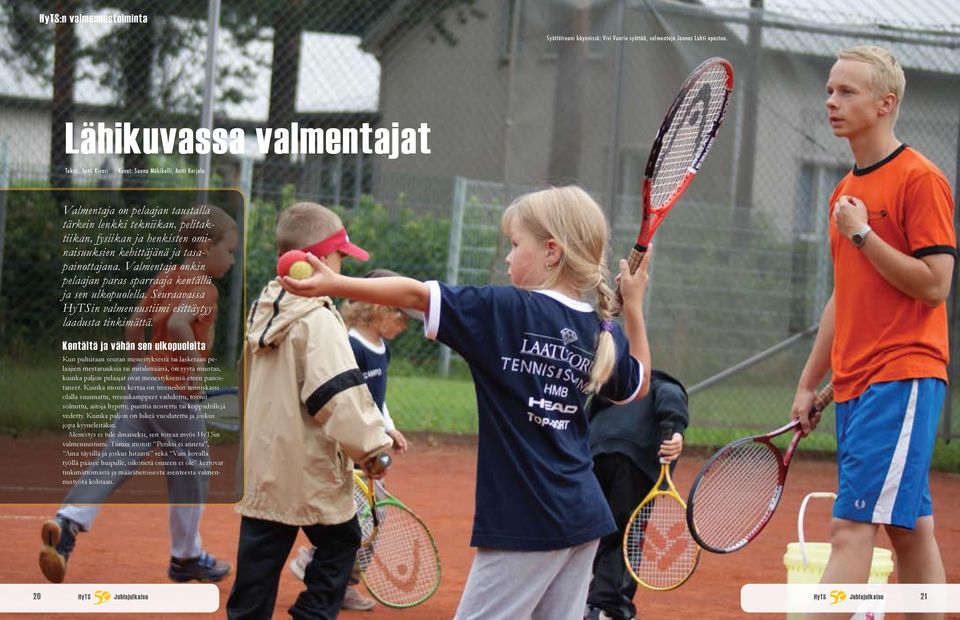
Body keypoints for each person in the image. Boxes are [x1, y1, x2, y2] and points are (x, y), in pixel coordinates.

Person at [282, 185, 653, 620]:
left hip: (526, 520)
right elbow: (638, 384)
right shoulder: (598, 330)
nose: (509, 257)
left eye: (516, 245)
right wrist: (634, 306)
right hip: (584, 518)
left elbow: (417, 296)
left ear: (552, 252)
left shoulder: (505, 309)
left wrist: (336, 283)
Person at [791, 46, 955, 620]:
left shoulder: (920, 180)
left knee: (849, 528)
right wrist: (811, 382)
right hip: (858, 385)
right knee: (909, 533)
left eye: (846, 92)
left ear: (885, 104)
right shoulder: (842, 194)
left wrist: (864, 235)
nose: (831, 101)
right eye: (830, 90)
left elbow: (936, 285)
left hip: (903, 375)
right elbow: (845, 295)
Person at [39, 206, 239, 584]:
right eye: (228, 250)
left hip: (143, 380)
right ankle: (186, 557)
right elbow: (180, 324)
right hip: (175, 393)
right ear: (203, 246)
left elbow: (134, 326)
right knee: (192, 473)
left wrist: (141, 367)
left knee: (116, 458)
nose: (232, 259)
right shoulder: (205, 289)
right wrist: (195, 367)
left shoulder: (165, 276)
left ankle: (68, 521)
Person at [226, 202, 394, 620]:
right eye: (339, 258)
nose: (340, 269)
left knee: (256, 575)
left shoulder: (266, 307)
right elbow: (335, 395)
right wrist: (373, 447)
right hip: (306, 469)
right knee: (341, 543)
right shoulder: (317, 320)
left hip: (263, 466)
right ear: (315, 261)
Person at [287, 268, 412, 612]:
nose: (404, 325)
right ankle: (321, 565)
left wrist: (388, 426)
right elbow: (342, 398)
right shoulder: (349, 345)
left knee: (369, 518)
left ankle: (336, 578)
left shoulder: (380, 348)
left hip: (366, 444)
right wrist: (362, 440)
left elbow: (374, 399)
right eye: (400, 315)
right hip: (345, 446)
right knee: (361, 518)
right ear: (379, 308)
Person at [585, 370, 688, 620]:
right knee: (626, 534)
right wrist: (675, 429)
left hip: (593, 456)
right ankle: (609, 609)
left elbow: (585, 415)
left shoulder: (616, 389)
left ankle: (581, 601)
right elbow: (670, 395)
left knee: (591, 532)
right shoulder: (663, 384)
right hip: (636, 461)